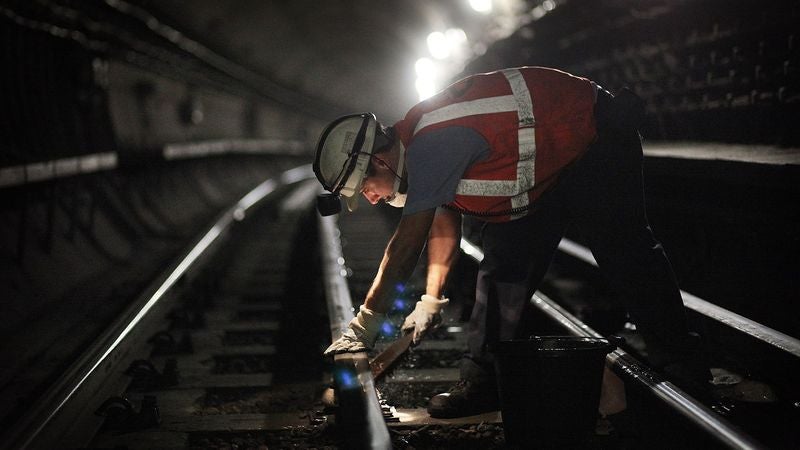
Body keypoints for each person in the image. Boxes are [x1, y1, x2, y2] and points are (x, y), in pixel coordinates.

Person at [313, 66, 708, 418]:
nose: (369, 197)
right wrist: (432, 298)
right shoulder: (419, 149)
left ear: (379, 162)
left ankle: (682, 364)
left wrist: (366, 323)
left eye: (364, 187)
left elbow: (405, 246)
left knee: (625, 250)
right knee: (503, 270)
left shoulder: (431, 143)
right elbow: (442, 224)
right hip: (541, 175)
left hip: (593, 139)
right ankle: (484, 384)